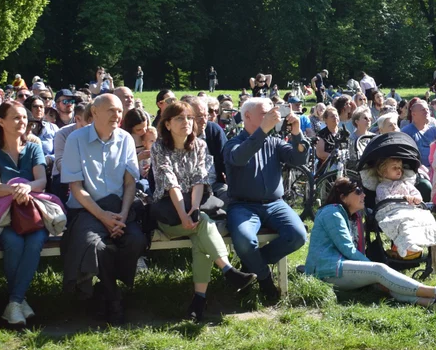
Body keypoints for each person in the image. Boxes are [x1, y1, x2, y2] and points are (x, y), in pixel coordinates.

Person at [150, 100, 256, 321]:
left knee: (201, 232)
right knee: (204, 225)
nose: (186, 122)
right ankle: (228, 272)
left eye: (189, 118)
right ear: (167, 124)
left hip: (194, 212)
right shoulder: (159, 147)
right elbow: (171, 184)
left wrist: (194, 210)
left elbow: (200, 179)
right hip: (169, 214)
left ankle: (199, 300)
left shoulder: (199, 145)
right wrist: (184, 214)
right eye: (180, 118)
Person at [306, 178, 436, 309]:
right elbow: (347, 249)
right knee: (379, 270)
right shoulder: (332, 213)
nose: (363, 195)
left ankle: (431, 303)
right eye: (358, 191)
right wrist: (370, 268)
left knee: (384, 281)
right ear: (343, 197)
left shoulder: (350, 217)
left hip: (338, 267)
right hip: (325, 270)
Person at [61, 94, 149, 324]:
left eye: (119, 111)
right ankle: (113, 299)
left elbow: (130, 183)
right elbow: (76, 188)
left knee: (136, 240)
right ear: (95, 112)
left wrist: (121, 215)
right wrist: (103, 217)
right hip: (86, 208)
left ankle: (107, 288)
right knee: (94, 245)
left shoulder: (126, 139)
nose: (117, 115)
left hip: (120, 207)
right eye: (111, 110)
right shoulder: (76, 140)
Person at [223, 97, 309, 302]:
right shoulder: (233, 143)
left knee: (298, 235)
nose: (272, 117)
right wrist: (263, 130)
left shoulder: (274, 142)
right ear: (247, 116)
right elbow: (239, 157)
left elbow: (300, 159)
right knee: (244, 240)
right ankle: (264, 278)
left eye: (272, 113)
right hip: (242, 206)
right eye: (264, 113)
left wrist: (297, 133)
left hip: (275, 204)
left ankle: (252, 264)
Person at [0, 101, 49, 325]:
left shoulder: (33, 148)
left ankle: (14, 302)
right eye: (16, 117)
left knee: (36, 240)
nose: (22, 122)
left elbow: (41, 181)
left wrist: (28, 187)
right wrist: (17, 189)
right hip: (5, 216)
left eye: (24, 117)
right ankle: (18, 301)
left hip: (31, 213)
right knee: (13, 243)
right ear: (1, 122)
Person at [401, 99, 436, 169]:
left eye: (427, 109)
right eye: (423, 110)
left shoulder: (434, 130)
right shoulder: (406, 132)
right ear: (413, 114)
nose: (427, 111)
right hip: (419, 171)